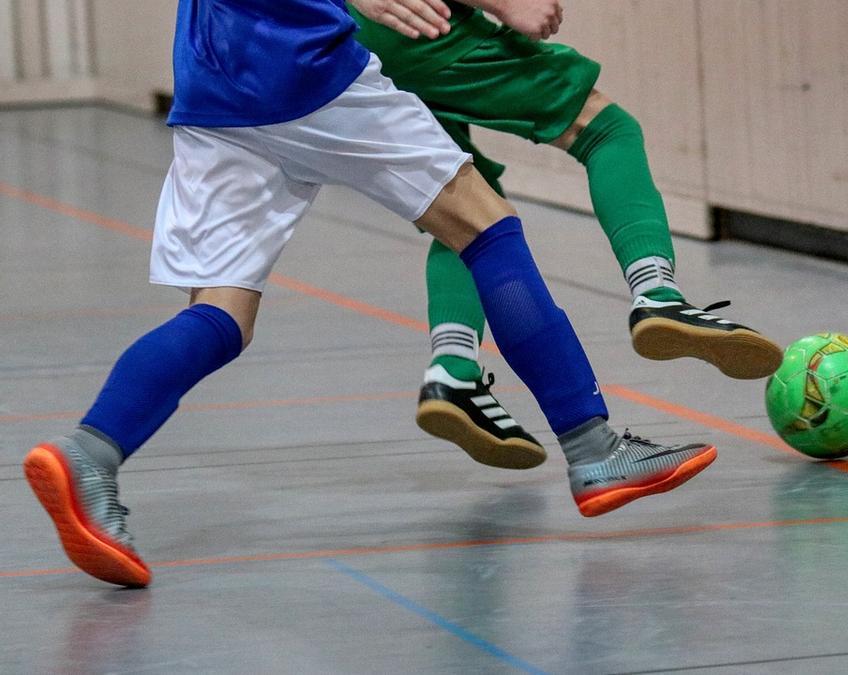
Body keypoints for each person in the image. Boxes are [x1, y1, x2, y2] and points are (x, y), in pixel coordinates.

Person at [22, 0, 716, 589]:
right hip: (304, 68)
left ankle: (90, 452)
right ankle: (592, 447)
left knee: (221, 312)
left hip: (212, 79)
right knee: (486, 225)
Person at [347, 0, 784, 471]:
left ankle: (453, 370)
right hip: (418, 22)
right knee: (605, 129)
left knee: (464, 206)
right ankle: (657, 292)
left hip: (353, 36)